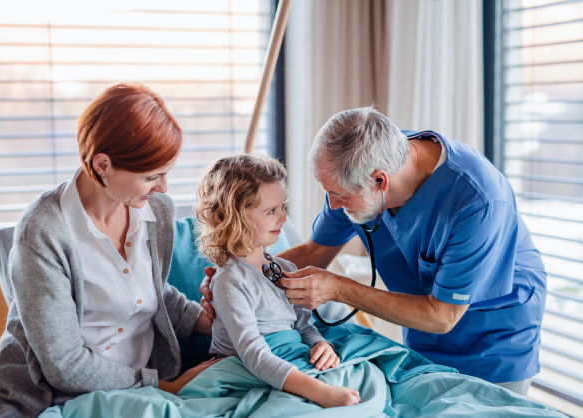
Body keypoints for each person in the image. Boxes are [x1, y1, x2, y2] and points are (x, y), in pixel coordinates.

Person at [200, 106, 547, 397]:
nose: (333, 205)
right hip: (424, 334)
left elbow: (442, 315)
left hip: (495, 336)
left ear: (380, 181)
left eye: (340, 196)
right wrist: (242, 275)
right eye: (328, 192)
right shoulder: (357, 162)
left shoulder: (477, 200)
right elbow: (318, 249)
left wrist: (338, 288)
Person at [0, 83, 215, 418]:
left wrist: (215, 317)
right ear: (102, 164)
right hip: (58, 395)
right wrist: (161, 387)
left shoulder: (156, 210)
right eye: (152, 176)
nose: (163, 187)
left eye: (166, 172)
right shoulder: (43, 231)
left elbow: (152, 293)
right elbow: (64, 364)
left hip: (147, 389)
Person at [194, 154, 361, 408]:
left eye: (282, 206)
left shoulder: (285, 268)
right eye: (271, 211)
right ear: (234, 217)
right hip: (250, 370)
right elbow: (253, 354)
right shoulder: (229, 281)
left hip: (293, 358)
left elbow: (303, 326)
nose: (283, 217)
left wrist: (320, 343)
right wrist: (323, 393)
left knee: (365, 377)